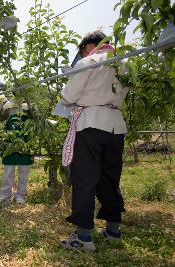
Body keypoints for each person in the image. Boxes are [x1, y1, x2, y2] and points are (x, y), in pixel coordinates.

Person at [60, 31, 128, 252]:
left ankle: (83, 237)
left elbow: (68, 96)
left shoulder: (89, 62)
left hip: (90, 123)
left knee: (85, 178)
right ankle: (113, 231)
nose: (82, 54)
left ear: (90, 46)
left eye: (82, 50)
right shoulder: (124, 65)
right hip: (115, 126)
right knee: (110, 178)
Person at [0, 99, 33, 204]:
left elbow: (36, 119)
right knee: (8, 172)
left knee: (24, 172)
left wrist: (30, 109)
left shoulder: (28, 106)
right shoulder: (8, 106)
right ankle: (5, 195)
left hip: (25, 145)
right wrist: (4, 109)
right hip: (10, 145)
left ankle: (20, 195)